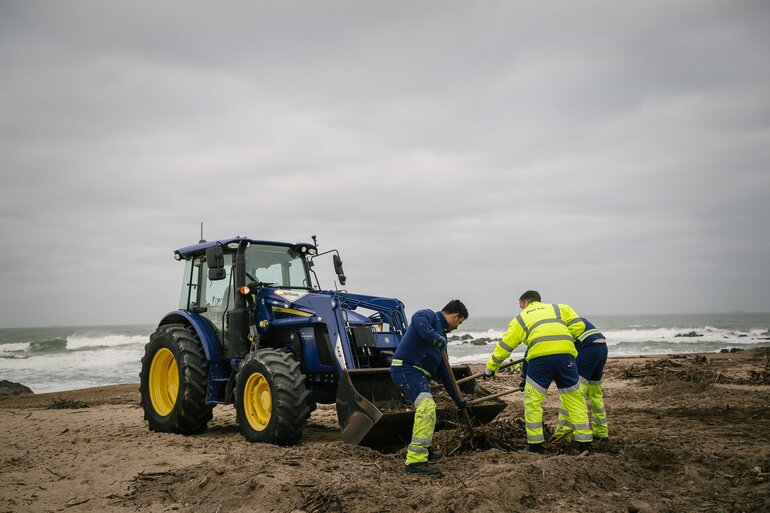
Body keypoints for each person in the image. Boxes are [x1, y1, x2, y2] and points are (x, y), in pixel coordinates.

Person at [483, 290, 592, 453]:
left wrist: (490, 368)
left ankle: (536, 445)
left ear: (525, 302)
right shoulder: (560, 309)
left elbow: (505, 347)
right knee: (575, 399)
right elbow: (579, 326)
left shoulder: (521, 318)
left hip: (540, 360)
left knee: (533, 402)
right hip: (566, 357)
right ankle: (585, 442)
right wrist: (563, 339)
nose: (521, 309)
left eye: (521, 306)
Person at [390, 299, 469, 475]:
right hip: (406, 369)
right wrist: (435, 338)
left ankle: (424, 449)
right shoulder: (429, 316)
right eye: (460, 322)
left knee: (427, 409)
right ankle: (415, 463)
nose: (458, 327)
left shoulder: (442, 338)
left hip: (418, 374)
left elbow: (446, 372)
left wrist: (458, 399)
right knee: (427, 407)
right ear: (456, 316)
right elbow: (417, 319)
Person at [553, 317, 609, 442]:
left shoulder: (554, 325)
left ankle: (563, 434)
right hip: (601, 348)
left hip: (588, 351)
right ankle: (601, 433)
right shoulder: (571, 318)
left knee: (571, 394)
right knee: (595, 394)